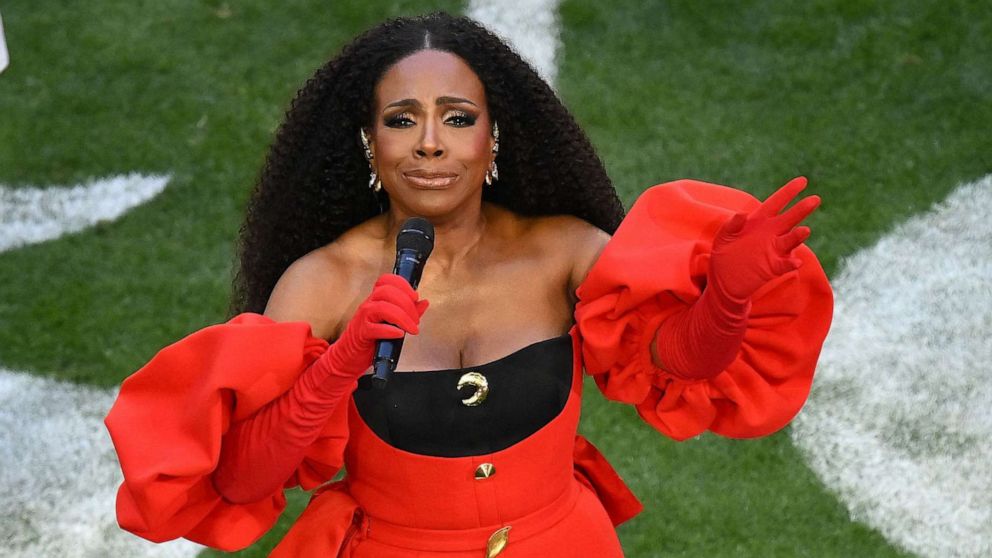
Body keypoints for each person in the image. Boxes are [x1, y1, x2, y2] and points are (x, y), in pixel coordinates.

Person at [105, 12, 833, 557]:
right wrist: (339, 362)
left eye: (457, 118)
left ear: (493, 138)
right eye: (402, 120)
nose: (430, 143)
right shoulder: (322, 282)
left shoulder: (565, 251)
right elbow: (241, 479)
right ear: (370, 142)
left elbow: (676, 364)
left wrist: (728, 299)